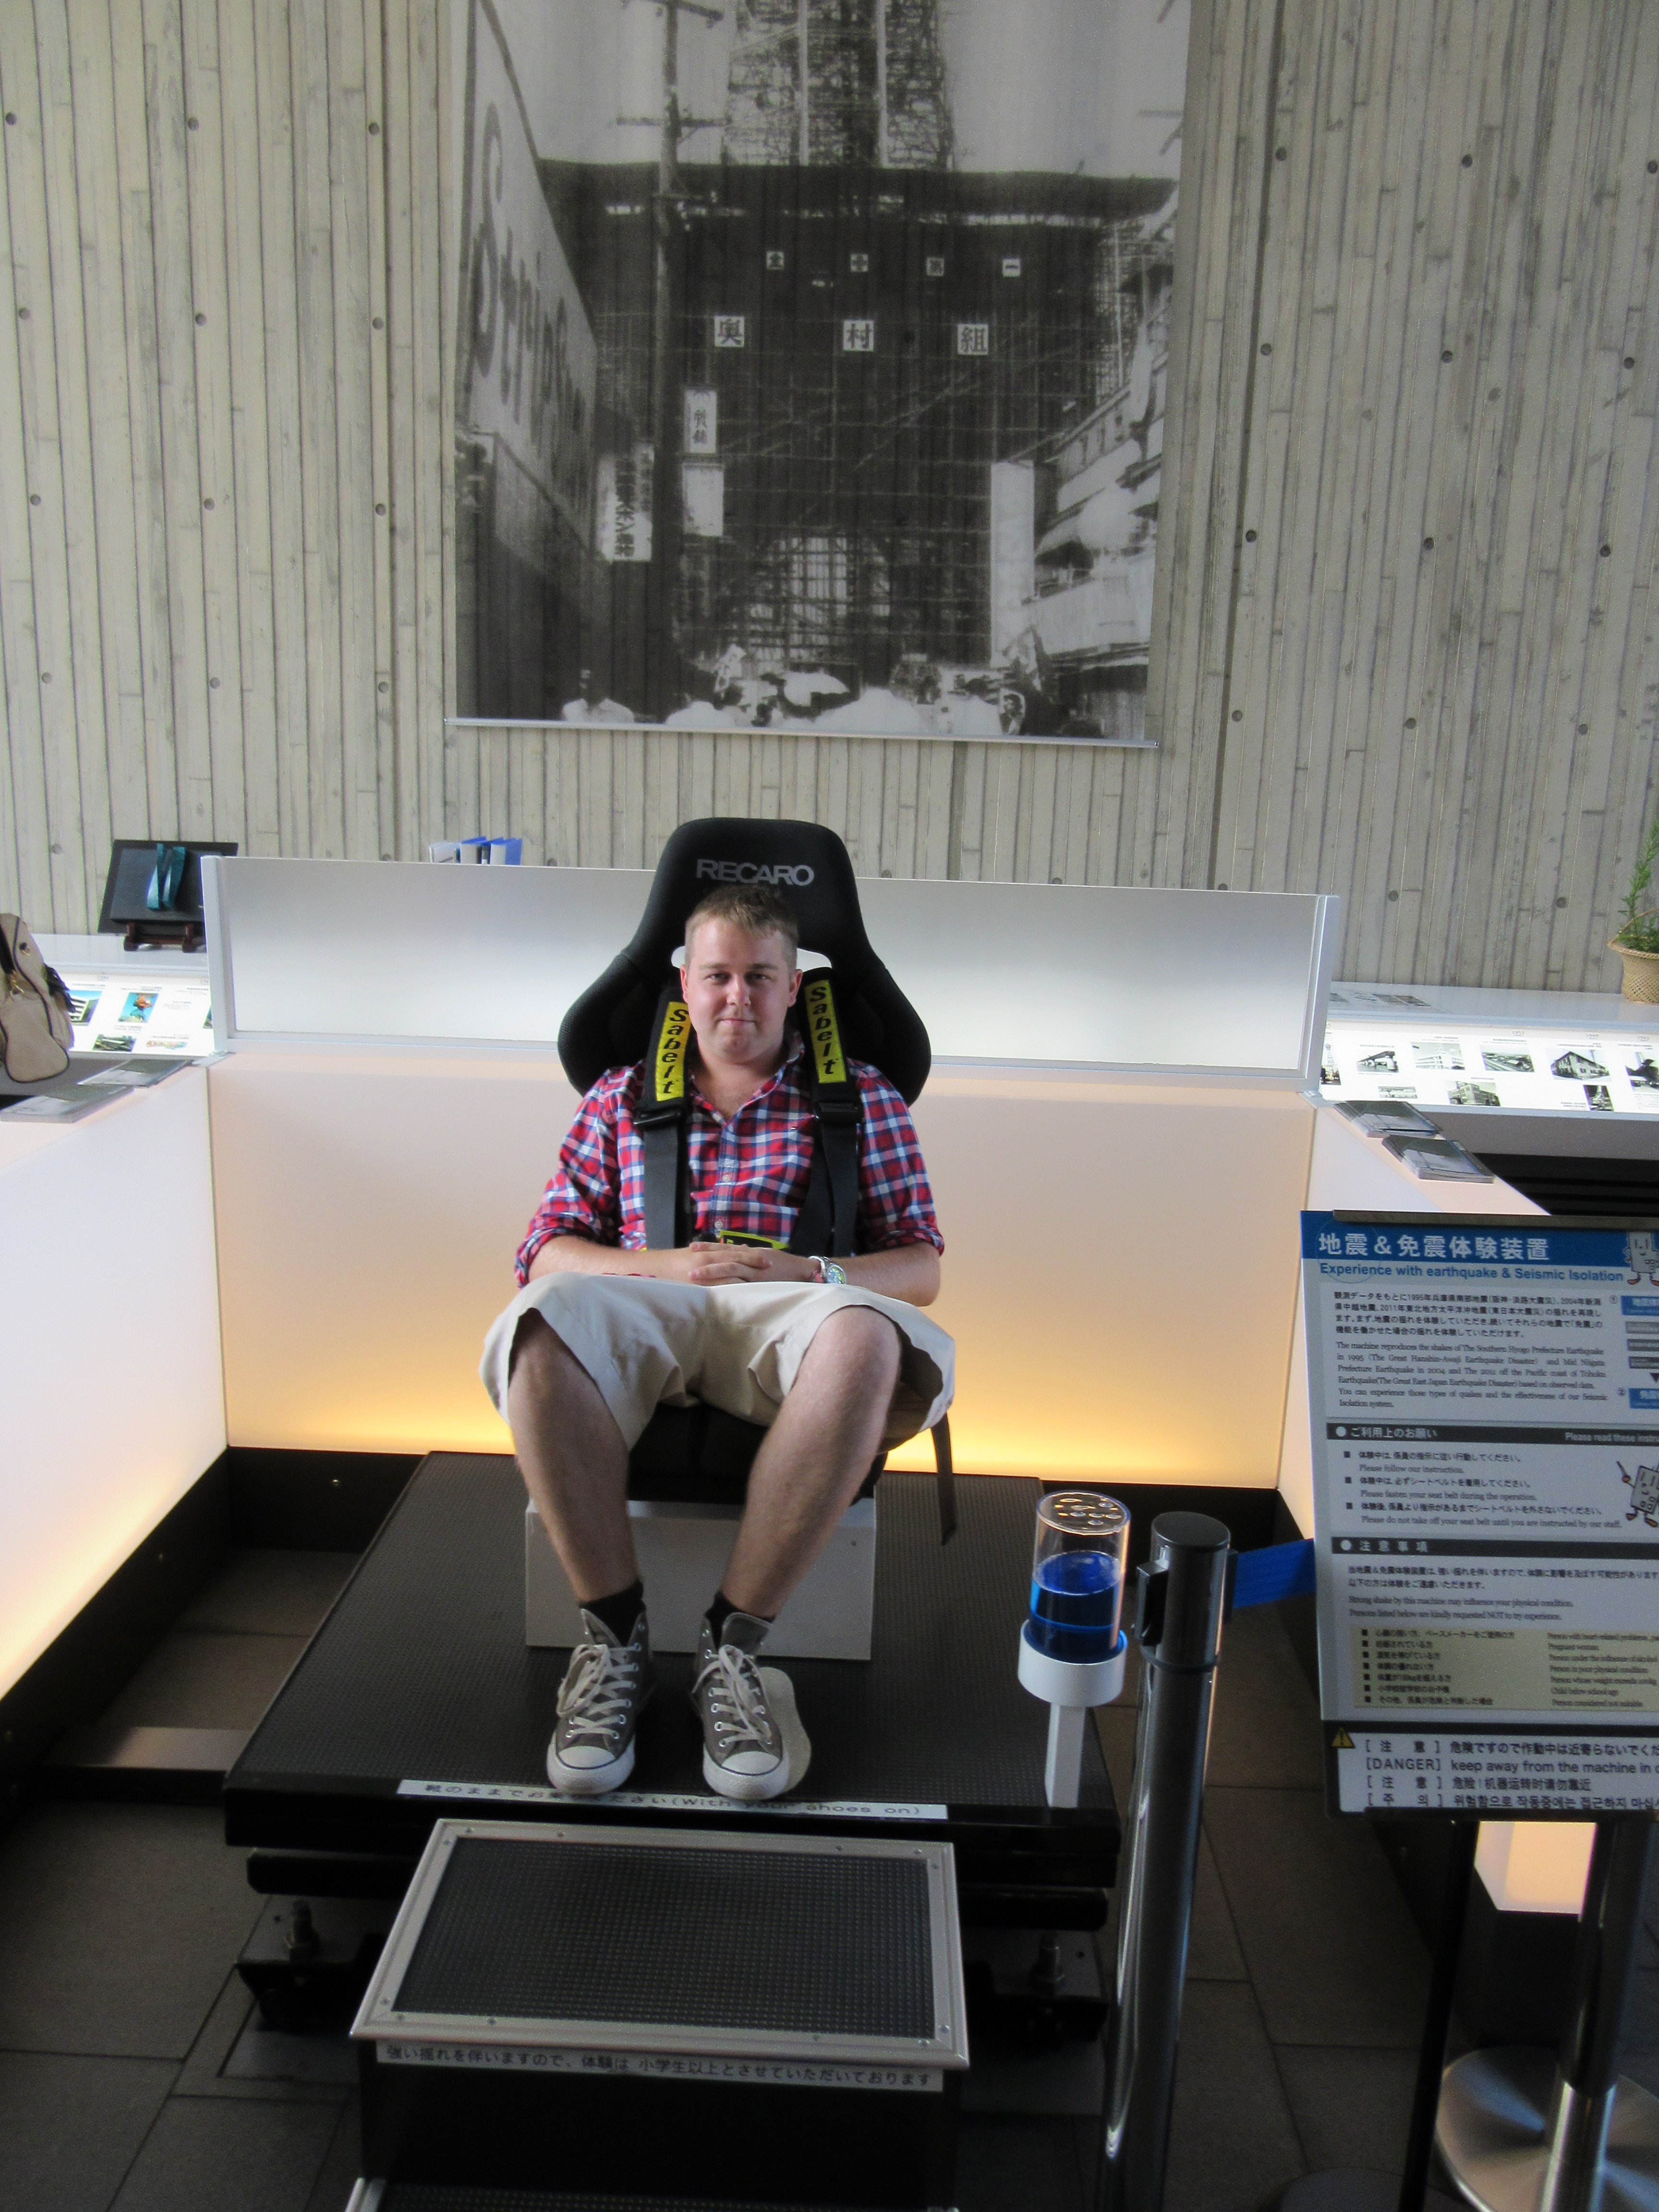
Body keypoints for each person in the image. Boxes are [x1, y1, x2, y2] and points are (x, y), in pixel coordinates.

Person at [480, 885, 953, 1803]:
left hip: (787, 1307)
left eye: (761, 977)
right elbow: (544, 1249)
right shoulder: (619, 1096)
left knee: (866, 1338)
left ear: (794, 988)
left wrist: (806, 1272)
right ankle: (614, 1641)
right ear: (684, 985)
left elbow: (920, 1264)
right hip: (652, 1299)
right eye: (719, 976)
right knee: (539, 1318)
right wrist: (662, 1265)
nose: (739, 997)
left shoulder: (862, 1097)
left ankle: (731, 1648)